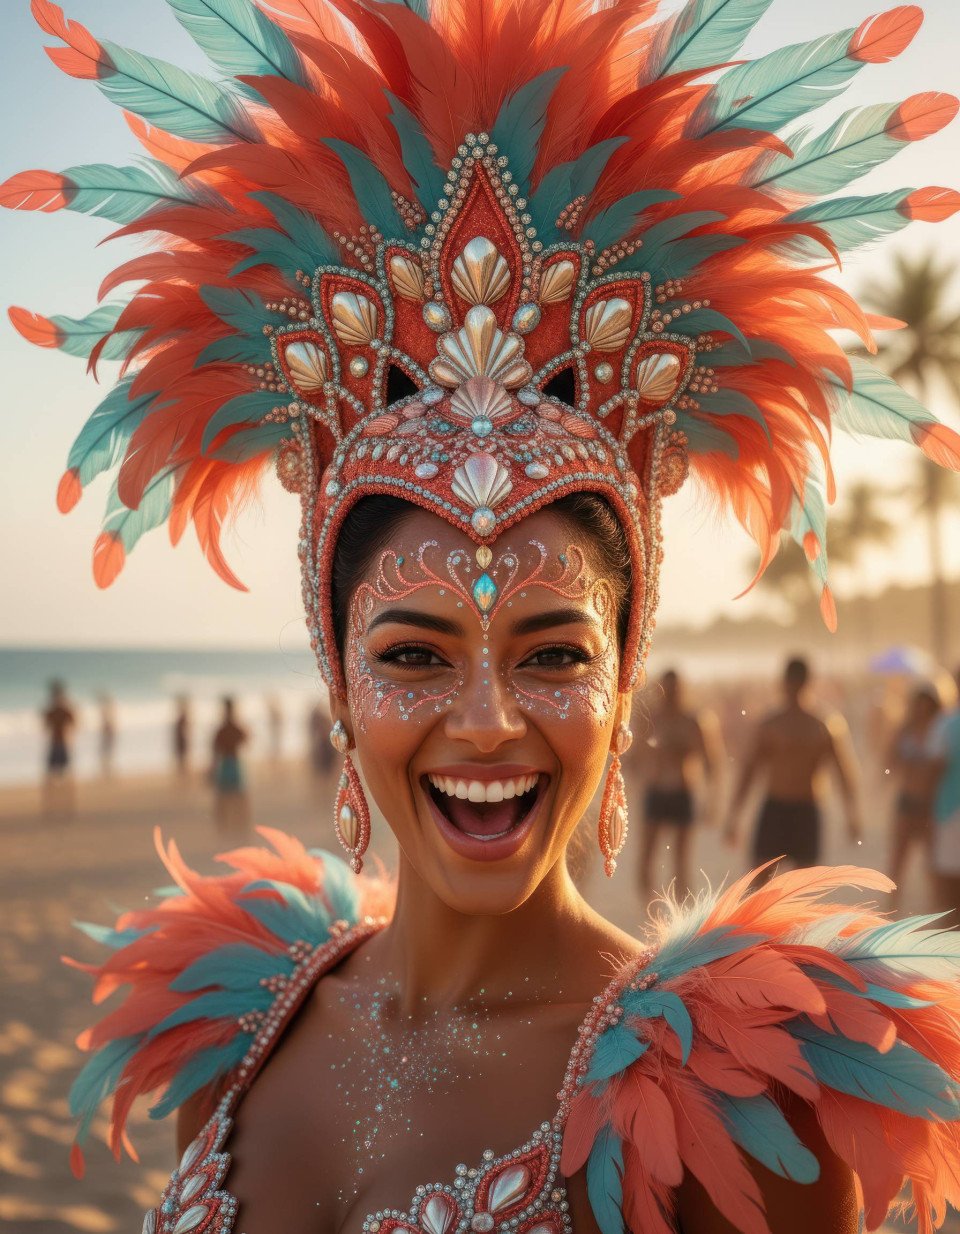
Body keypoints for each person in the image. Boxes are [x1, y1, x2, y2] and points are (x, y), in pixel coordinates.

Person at [12, 1, 960, 1230]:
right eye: (414, 654)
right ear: (337, 678)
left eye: (552, 653)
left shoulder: (729, 1118)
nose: (488, 720)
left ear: (624, 681)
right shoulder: (236, 1035)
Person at [724, 658, 863, 880]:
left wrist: (852, 812)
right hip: (775, 807)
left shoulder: (824, 724)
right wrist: (734, 814)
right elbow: (749, 771)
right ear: (783, 683)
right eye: (791, 681)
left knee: (801, 885)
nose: (794, 686)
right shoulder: (771, 724)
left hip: (807, 809)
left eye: (798, 681)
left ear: (807, 683)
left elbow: (843, 771)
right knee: (759, 880)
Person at [637, 669, 721, 897]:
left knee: (680, 860)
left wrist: (712, 800)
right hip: (656, 790)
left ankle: (683, 910)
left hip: (683, 792)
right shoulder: (652, 718)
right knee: (646, 858)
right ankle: (647, 910)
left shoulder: (694, 720)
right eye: (667, 689)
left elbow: (711, 762)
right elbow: (634, 756)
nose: (671, 694)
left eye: (675, 689)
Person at [885, 683, 942, 912]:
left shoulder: (939, 731)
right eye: (919, 705)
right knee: (898, 860)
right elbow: (889, 761)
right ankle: (891, 910)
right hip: (907, 801)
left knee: (933, 864)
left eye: (927, 706)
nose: (922, 710)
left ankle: (938, 910)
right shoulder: (905, 730)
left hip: (930, 804)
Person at [929, 667, 960, 913]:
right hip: (950, 808)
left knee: (949, 879)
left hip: (951, 810)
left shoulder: (946, 723)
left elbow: (935, 767)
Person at [210, 696, 250, 833]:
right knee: (237, 795)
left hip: (227, 762)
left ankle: (225, 824)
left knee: (226, 796)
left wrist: (213, 766)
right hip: (234, 761)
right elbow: (246, 739)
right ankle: (239, 823)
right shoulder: (233, 726)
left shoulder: (223, 728)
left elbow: (215, 748)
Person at [40, 679, 76, 816]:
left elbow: (74, 723)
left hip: (62, 744)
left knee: (64, 776)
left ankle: (67, 805)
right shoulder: (54, 710)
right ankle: (52, 805)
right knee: (51, 776)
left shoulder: (63, 709)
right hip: (56, 744)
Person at [96, 692, 117, 778]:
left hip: (108, 734)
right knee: (106, 753)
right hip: (108, 734)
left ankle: (107, 771)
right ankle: (107, 771)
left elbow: (107, 724)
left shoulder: (106, 710)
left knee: (105, 753)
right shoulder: (109, 710)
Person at [172, 695, 191, 777]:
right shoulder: (183, 717)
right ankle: (182, 773)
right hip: (181, 739)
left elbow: (185, 729)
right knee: (181, 757)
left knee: (182, 757)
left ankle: (183, 773)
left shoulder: (183, 717)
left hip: (181, 739)